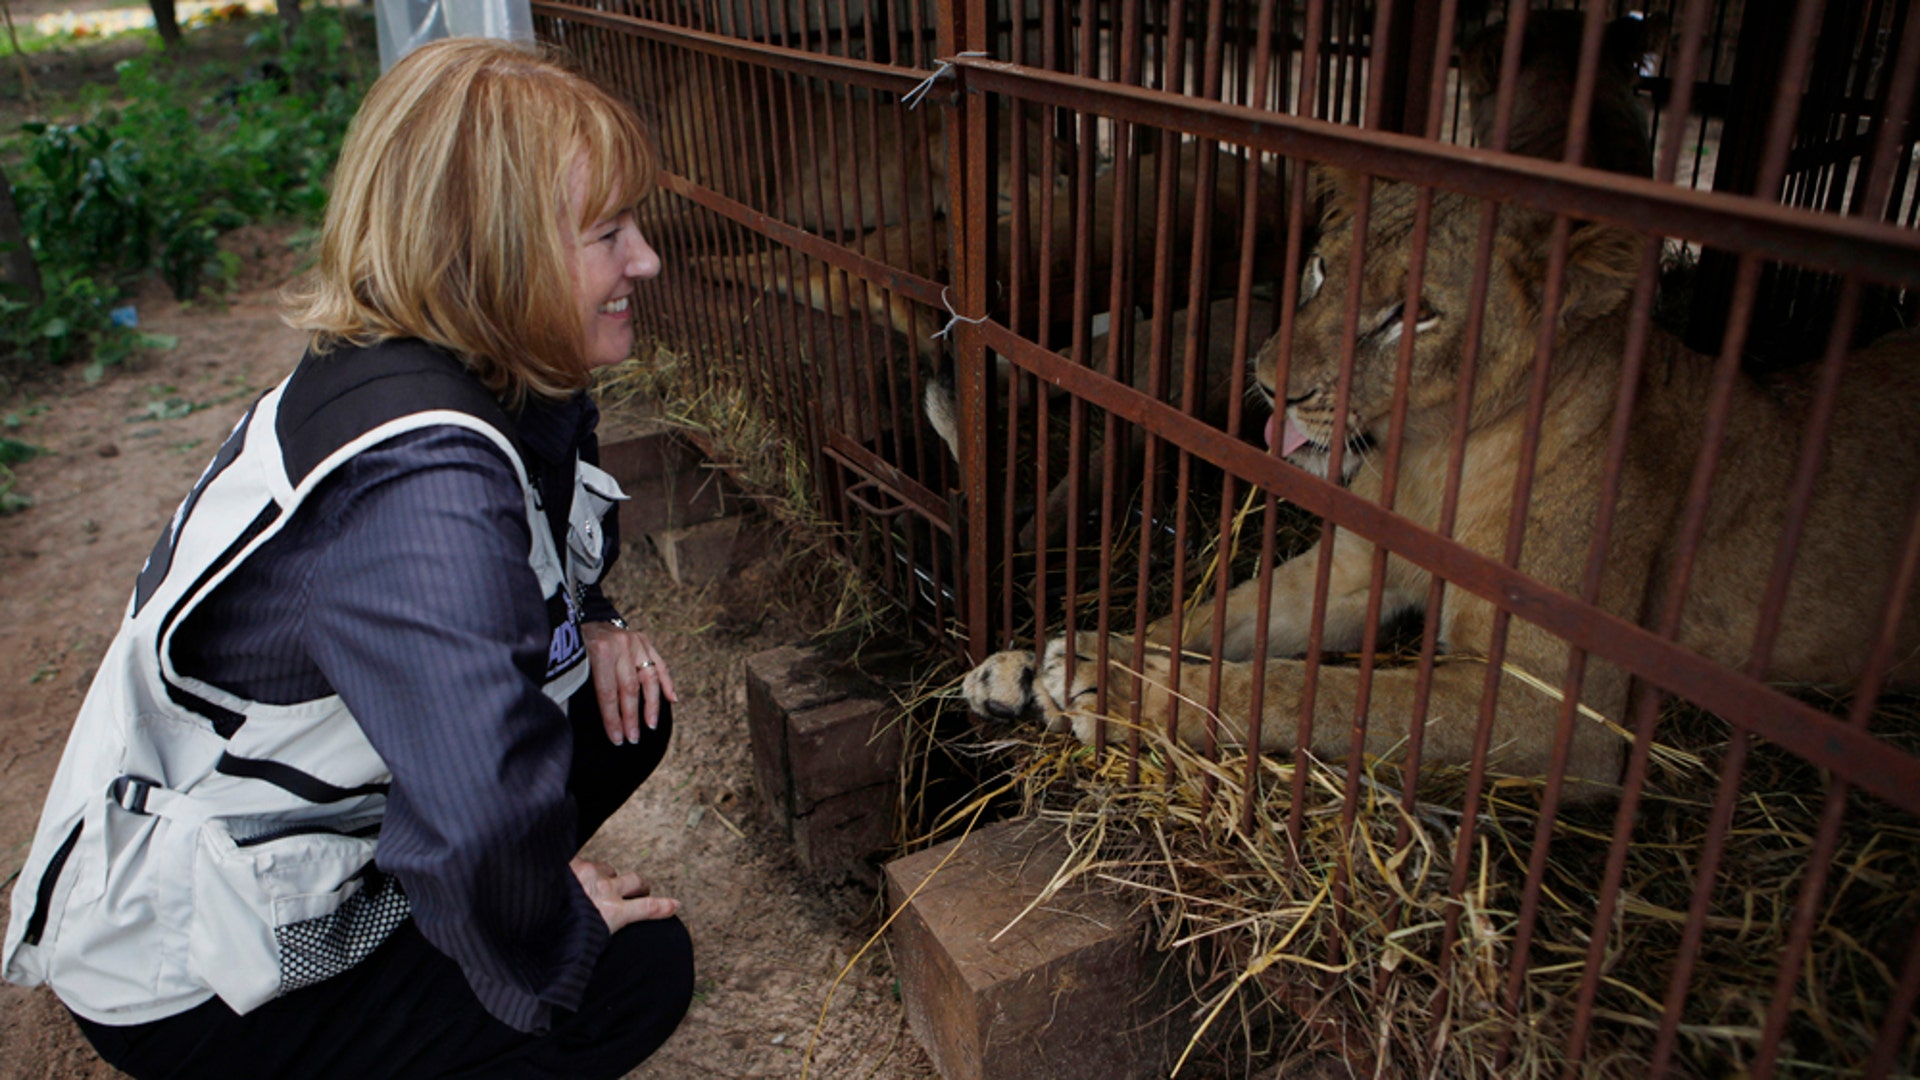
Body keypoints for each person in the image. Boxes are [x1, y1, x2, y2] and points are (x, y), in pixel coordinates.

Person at [2, 37, 693, 1079]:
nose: (644, 260)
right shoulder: (422, 490)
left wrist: (589, 614)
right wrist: (554, 931)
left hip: (261, 842)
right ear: (495, 253)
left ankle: (430, 933)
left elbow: (551, 516)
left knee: (623, 710)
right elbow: (477, 806)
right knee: (636, 975)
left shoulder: (463, 365)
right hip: (188, 968)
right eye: (608, 233)